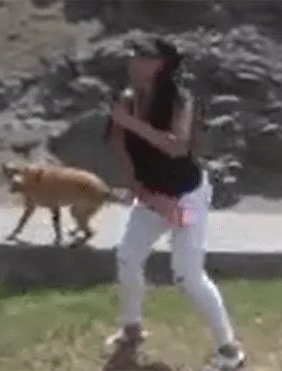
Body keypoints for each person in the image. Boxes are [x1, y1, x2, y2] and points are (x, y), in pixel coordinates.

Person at [105, 37, 245, 370]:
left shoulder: (179, 100)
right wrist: (141, 191)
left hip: (186, 196)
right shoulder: (128, 99)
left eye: (141, 56)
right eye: (132, 54)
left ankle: (229, 352)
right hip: (153, 195)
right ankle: (132, 328)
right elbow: (118, 145)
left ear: (160, 64)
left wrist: (131, 123)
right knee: (127, 256)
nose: (132, 60)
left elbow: (177, 147)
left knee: (187, 275)